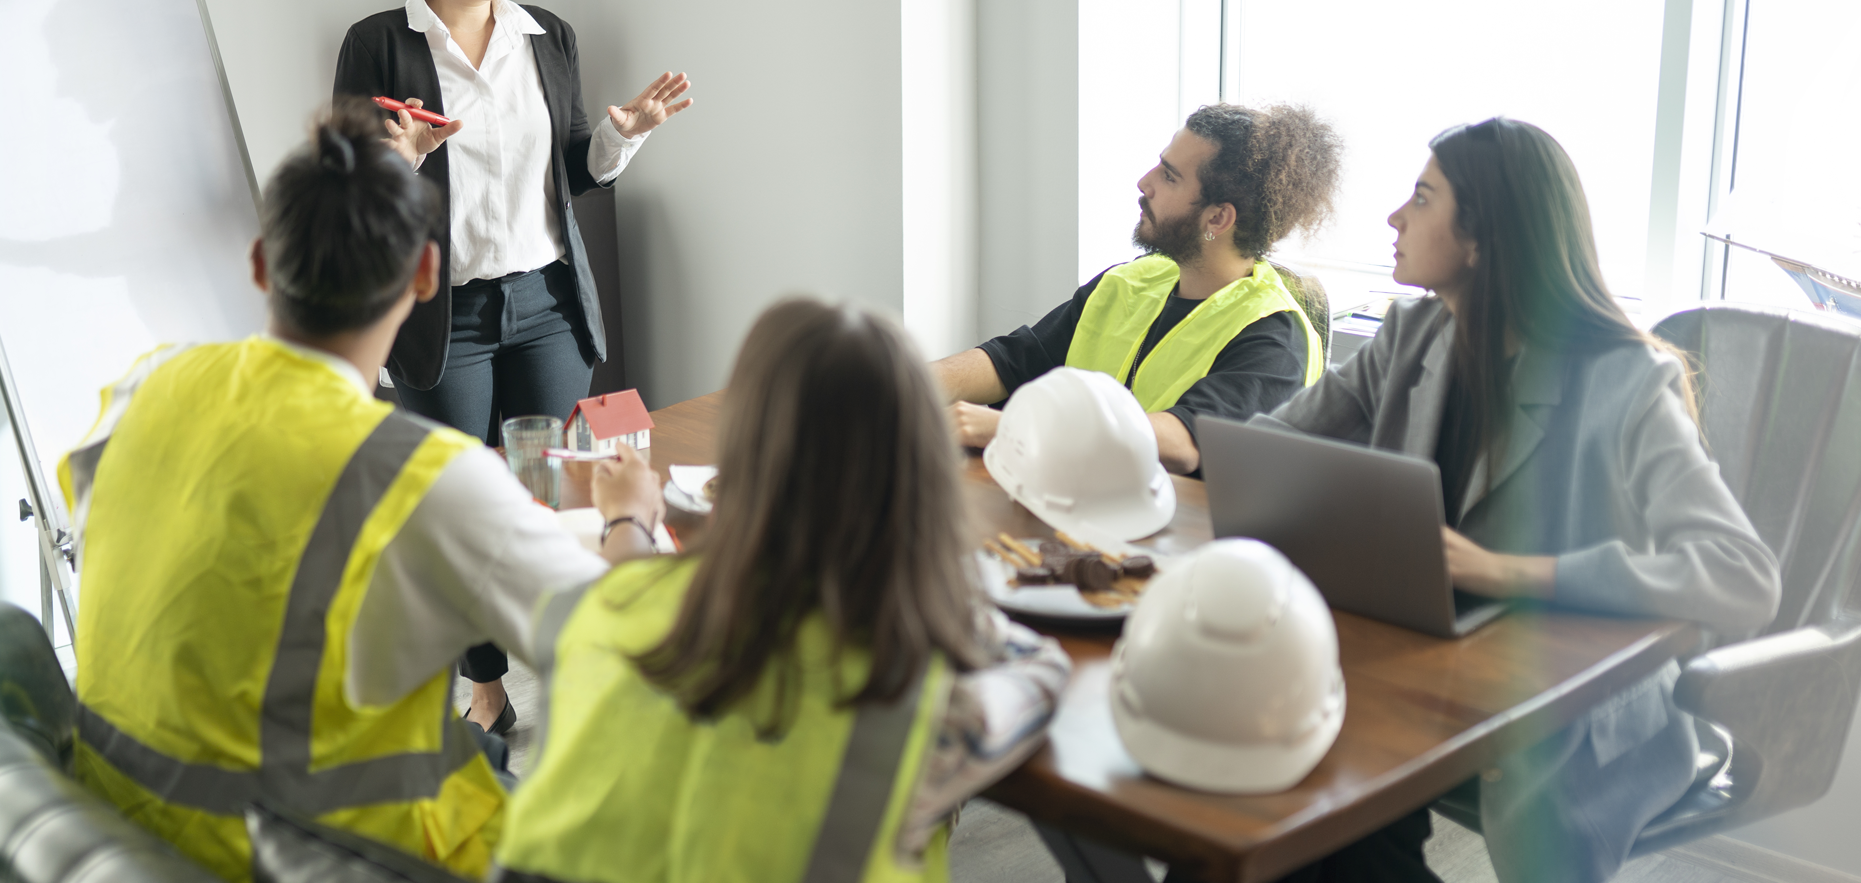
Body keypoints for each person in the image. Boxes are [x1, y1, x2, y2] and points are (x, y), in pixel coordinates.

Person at [58, 105, 666, 881]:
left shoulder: (149, 384)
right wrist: (629, 517)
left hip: (124, 834)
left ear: (259, 264)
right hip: (324, 856)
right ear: (425, 274)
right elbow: (627, 642)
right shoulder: (424, 477)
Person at [1244, 117, 1782, 882]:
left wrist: (1508, 572)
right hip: (1429, 677)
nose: (1395, 218)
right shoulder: (1412, 334)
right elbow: (1268, 449)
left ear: (1482, 238)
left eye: (1422, 199)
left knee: (1310, 818)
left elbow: (1742, 575)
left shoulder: (1626, 380)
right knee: (1286, 809)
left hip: (1571, 717)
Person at [491, 299, 1072, 883]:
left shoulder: (600, 609)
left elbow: (630, 588)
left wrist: (630, 524)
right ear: (921, 478)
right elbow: (1043, 673)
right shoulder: (919, 697)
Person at [332, 0, 693, 735]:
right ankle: (484, 683)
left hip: (545, 305)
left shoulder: (548, 37)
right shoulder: (378, 43)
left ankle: (584, 675)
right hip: (441, 318)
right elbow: (347, 186)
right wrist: (400, 160)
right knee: (461, 513)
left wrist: (624, 136)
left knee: (562, 499)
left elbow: (574, 171)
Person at [934, 103, 1342, 475]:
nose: (1144, 183)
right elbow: (1015, 361)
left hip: (1176, 536)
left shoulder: (1273, 337)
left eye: (1169, 176)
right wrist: (907, 383)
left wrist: (1018, 427)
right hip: (1076, 501)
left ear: (1217, 218)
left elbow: (1184, 441)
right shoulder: (1131, 281)